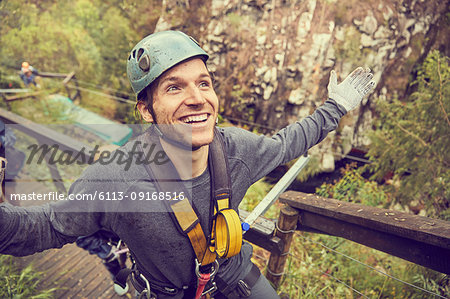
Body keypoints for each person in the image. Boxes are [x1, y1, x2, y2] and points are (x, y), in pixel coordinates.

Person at [0, 30, 376, 298]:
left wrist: (335, 108)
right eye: (174, 88)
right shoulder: (116, 179)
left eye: (204, 83)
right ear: (146, 111)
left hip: (234, 276)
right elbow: (48, 225)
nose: (197, 99)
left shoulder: (237, 150)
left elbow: (288, 142)